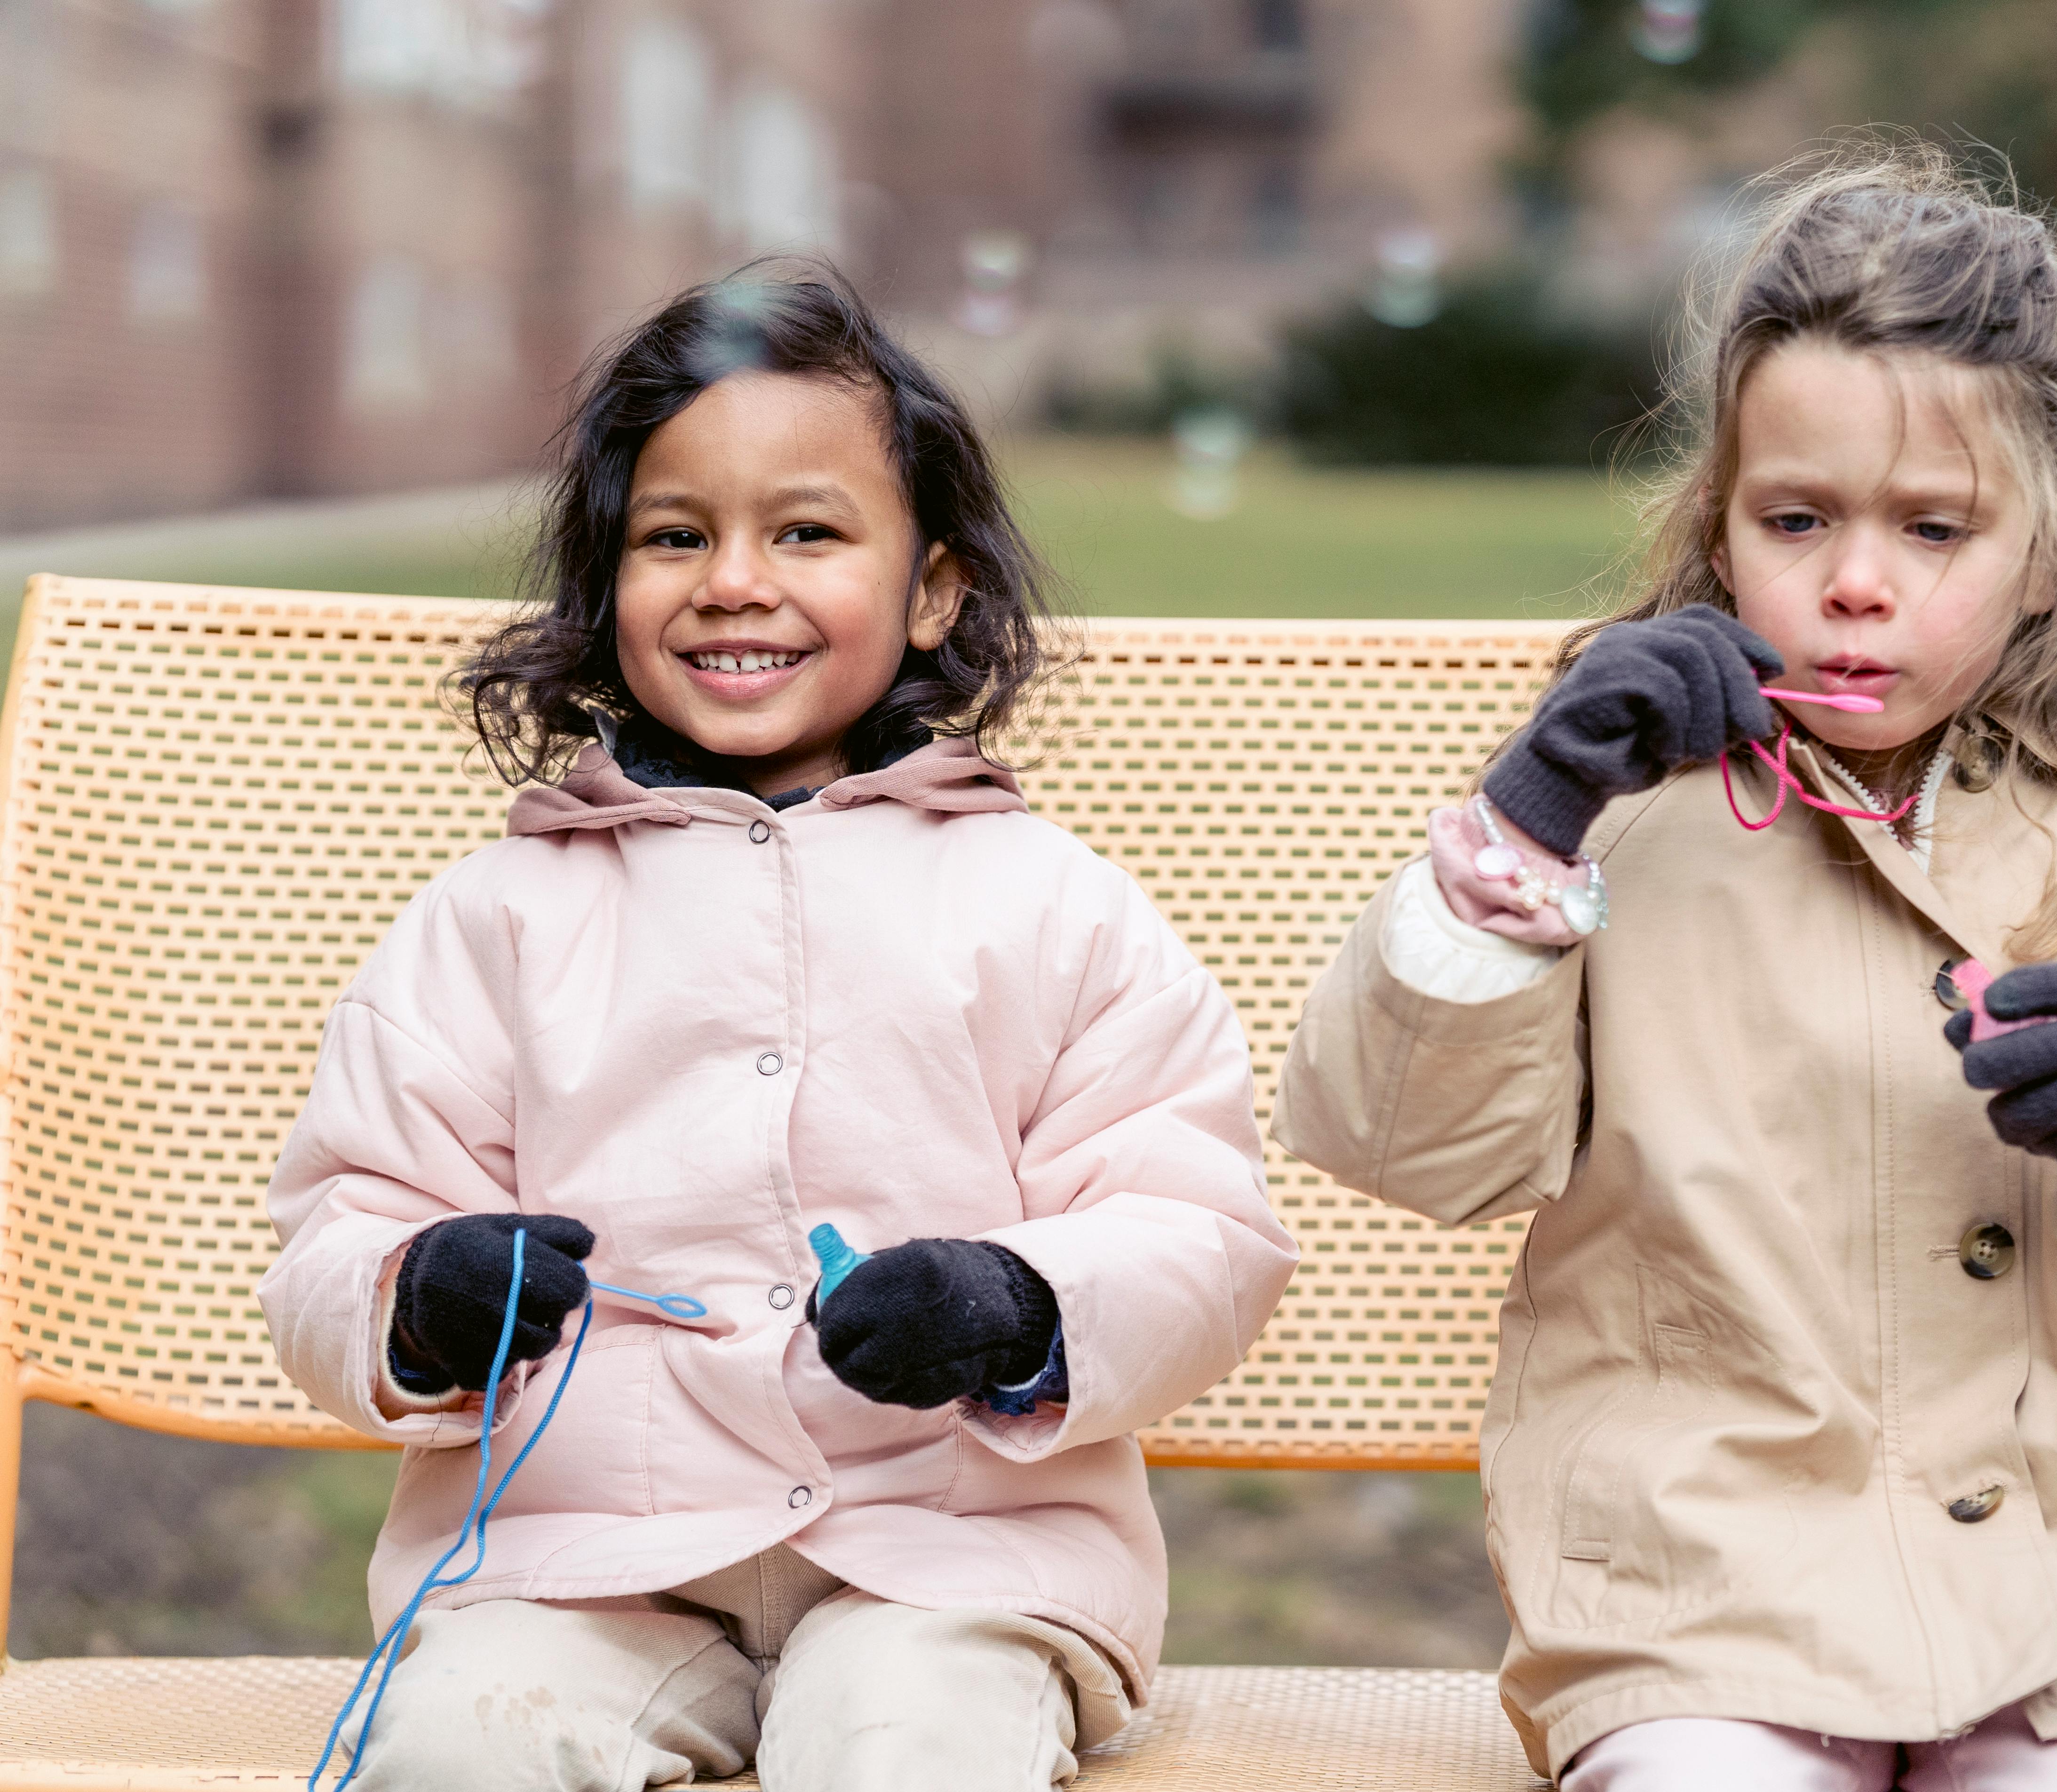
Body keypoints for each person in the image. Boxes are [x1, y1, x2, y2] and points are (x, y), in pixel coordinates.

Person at [1273, 146, 2057, 1791]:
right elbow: (1399, 1143)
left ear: (2055, 546)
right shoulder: (1616, 807)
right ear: (1718, 522)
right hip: (1706, 1575)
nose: (1854, 581)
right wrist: (1532, 816)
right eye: (1794, 517)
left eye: (1932, 525)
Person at [260, 266, 1296, 1792]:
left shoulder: (1049, 905)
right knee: (460, 1745)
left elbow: (1198, 1229)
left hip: (946, 1563)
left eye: (806, 532)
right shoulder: (497, 916)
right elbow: (339, 1228)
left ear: (934, 586)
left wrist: (1015, 1301)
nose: (733, 580)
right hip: (583, 1561)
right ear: (603, 583)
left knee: (904, 1747)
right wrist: (420, 1292)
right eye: (675, 536)